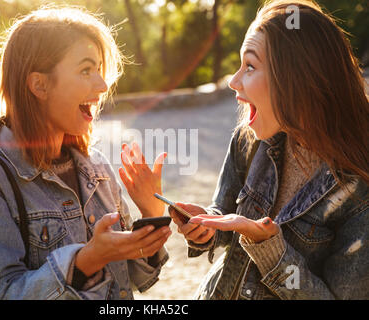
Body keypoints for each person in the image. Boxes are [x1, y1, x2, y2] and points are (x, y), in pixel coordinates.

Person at [124, 0, 368, 299]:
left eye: (250, 66)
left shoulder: (360, 187)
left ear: (298, 78)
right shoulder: (248, 140)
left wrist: (269, 248)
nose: (234, 81)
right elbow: (226, 216)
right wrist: (208, 227)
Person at [0, 6, 171, 300]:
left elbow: (135, 277)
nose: (103, 86)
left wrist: (151, 214)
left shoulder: (97, 167)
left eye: (99, 71)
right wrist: (85, 261)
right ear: (39, 84)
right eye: (86, 70)